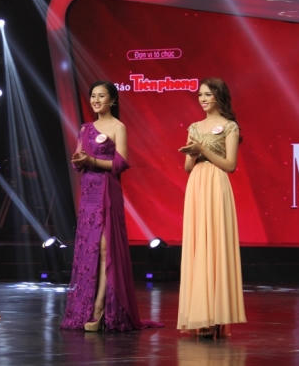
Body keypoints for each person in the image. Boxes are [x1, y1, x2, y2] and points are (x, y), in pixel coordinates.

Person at [61, 81, 160, 331]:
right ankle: (86, 306)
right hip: (89, 191)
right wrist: (79, 160)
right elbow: (78, 159)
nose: (96, 100)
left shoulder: (118, 127)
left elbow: (121, 163)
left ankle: (100, 307)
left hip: (107, 189)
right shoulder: (85, 128)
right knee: (90, 249)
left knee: (106, 249)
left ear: (112, 100)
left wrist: (92, 160)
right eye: (93, 96)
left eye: (101, 96)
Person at [177, 77, 246, 338]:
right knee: (198, 246)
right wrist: (193, 153)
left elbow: (230, 165)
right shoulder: (194, 127)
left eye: (207, 94)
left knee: (215, 245)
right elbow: (187, 167)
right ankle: (200, 315)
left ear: (219, 96)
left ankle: (216, 315)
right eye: (200, 95)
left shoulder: (230, 126)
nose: (203, 99)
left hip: (217, 184)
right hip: (197, 185)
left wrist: (203, 149)